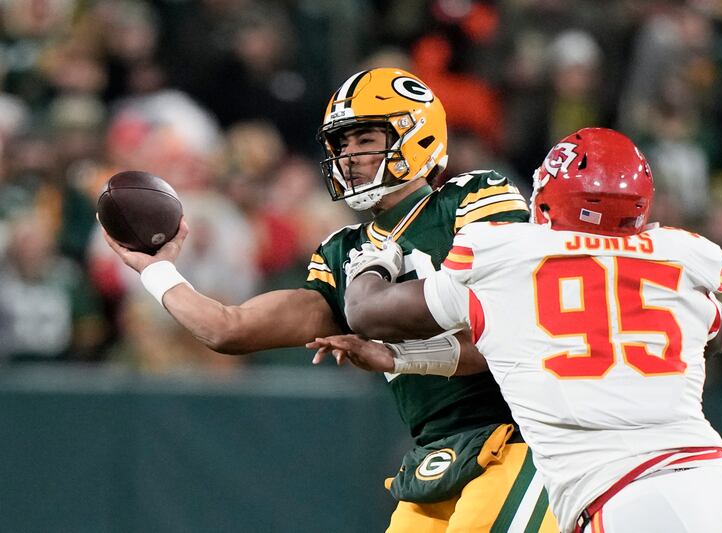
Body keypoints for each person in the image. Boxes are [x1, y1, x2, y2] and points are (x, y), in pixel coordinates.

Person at [102, 67, 558, 532]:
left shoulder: (473, 199)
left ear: (417, 136)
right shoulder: (343, 253)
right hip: (434, 459)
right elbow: (227, 328)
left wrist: (395, 356)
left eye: (364, 140)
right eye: (341, 146)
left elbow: (503, 335)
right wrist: (156, 270)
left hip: (516, 440)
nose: (348, 157)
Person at [314, 128, 722, 533]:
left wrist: (374, 260)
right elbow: (719, 327)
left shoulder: (510, 259)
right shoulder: (677, 257)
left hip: (621, 495)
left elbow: (367, 312)